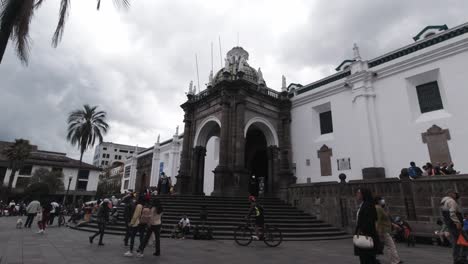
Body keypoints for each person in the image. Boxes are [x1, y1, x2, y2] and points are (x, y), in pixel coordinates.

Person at [354, 188, 380, 264]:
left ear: (363, 194)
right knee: (365, 258)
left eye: (359, 193)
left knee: (367, 258)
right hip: (364, 234)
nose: (357, 194)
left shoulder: (368, 205)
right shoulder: (364, 204)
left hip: (367, 235)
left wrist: (361, 230)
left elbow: (369, 221)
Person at [441, 189, 467, 264]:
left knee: (457, 242)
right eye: (455, 194)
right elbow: (452, 213)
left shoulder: (443, 201)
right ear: (450, 194)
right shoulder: (451, 201)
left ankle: (458, 258)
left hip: (450, 224)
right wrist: (457, 222)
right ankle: (461, 258)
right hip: (455, 224)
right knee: (464, 240)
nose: (456, 195)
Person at [375, 196, 402, 264]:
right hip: (383, 230)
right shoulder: (378, 208)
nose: (383, 201)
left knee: (390, 246)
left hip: (384, 229)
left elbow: (384, 220)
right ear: (378, 201)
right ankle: (395, 261)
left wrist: (393, 225)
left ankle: (395, 260)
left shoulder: (379, 208)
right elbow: (378, 221)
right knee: (391, 245)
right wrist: (378, 231)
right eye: (381, 200)